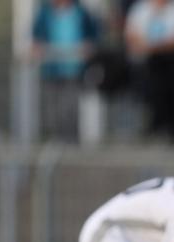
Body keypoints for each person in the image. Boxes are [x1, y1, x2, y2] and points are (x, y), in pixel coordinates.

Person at [124, 0, 174, 140]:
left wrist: (155, 48)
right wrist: (149, 48)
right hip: (146, 67)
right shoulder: (140, 9)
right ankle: (157, 124)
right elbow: (131, 35)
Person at [31, 0, 101, 141]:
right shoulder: (44, 12)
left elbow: (93, 36)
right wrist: (38, 48)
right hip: (51, 69)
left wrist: (88, 47)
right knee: (52, 111)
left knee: (70, 109)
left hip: (74, 70)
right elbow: (37, 38)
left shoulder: (81, 12)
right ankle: (55, 141)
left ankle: (71, 143)